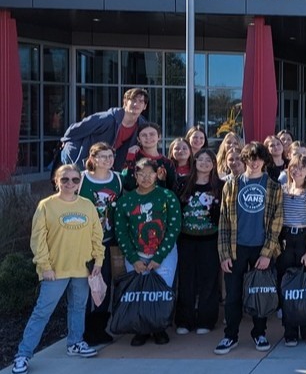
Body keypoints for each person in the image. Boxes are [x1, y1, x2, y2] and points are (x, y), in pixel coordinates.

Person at [12, 165, 104, 374]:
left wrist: (98, 261)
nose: (70, 184)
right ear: (56, 181)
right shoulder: (46, 206)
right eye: (65, 180)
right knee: (42, 312)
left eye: (74, 180)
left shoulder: (88, 205)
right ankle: (23, 355)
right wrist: (45, 266)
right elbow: (38, 240)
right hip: (55, 271)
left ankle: (75, 342)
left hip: (82, 269)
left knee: (78, 308)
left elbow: (96, 236)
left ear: (80, 182)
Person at [214, 142, 283, 355]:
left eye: (258, 158)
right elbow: (224, 222)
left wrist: (266, 253)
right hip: (236, 248)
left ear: (264, 161)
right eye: (250, 158)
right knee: (233, 295)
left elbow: (276, 223)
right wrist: (224, 254)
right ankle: (230, 336)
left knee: (259, 294)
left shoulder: (273, 186)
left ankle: (259, 332)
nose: (254, 162)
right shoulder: (231, 185)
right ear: (244, 160)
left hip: (261, 248)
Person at [115, 157, 183, 346]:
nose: (145, 178)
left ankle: (159, 328)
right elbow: (121, 232)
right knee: (139, 292)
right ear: (135, 176)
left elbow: (174, 227)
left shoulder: (167, 196)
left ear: (157, 175)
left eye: (149, 174)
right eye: (141, 174)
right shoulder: (126, 201)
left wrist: (160, 256)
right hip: (136, 254)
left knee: (160, 292)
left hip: (164, 254)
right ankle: (141, 330)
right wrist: (133, 258)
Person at [173, 149, 222, 335]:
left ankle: (206, 320)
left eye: (208, 160)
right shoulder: (183, 184)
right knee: (186, 280)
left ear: (214, 163)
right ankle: (184, 320)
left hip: (210, 240)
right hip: (186, 239)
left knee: (208, 280)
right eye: (200, 159)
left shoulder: (220, 186)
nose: (204, 163)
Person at [78, 143, 123, 346]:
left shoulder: (118, 179)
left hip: (108, 241)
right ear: (93, 158)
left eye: (110, 156)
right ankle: (84, 330)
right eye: (102, 156)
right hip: (84, 242)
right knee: (85, 286)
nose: (107, 160)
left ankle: (100, 328)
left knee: (105, 284)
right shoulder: (81, 179)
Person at [277, 155, 306, 347]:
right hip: (287, 239)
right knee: (288, 287)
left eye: (301, 168)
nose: (296, 171)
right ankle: (290, 330)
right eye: (293, 167)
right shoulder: (284, 190)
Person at [60, 87, 148, 169]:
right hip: (81, 162)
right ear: (125, 102)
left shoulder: (142, 126)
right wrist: (66, 141)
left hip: (105, 166)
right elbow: (74, 130)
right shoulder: (107, 119)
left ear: (144, 106)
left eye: (141, 101)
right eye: (133, 100)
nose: (136, 104)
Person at [121, 123, 176, 191]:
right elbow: (127, 185)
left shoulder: (167, 163)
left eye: (152, 134)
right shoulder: (133, 157)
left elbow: (172, 188)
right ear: (138, 139)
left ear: (159, 137)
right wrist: (130, 158)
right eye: (144, 135)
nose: (148, 137)